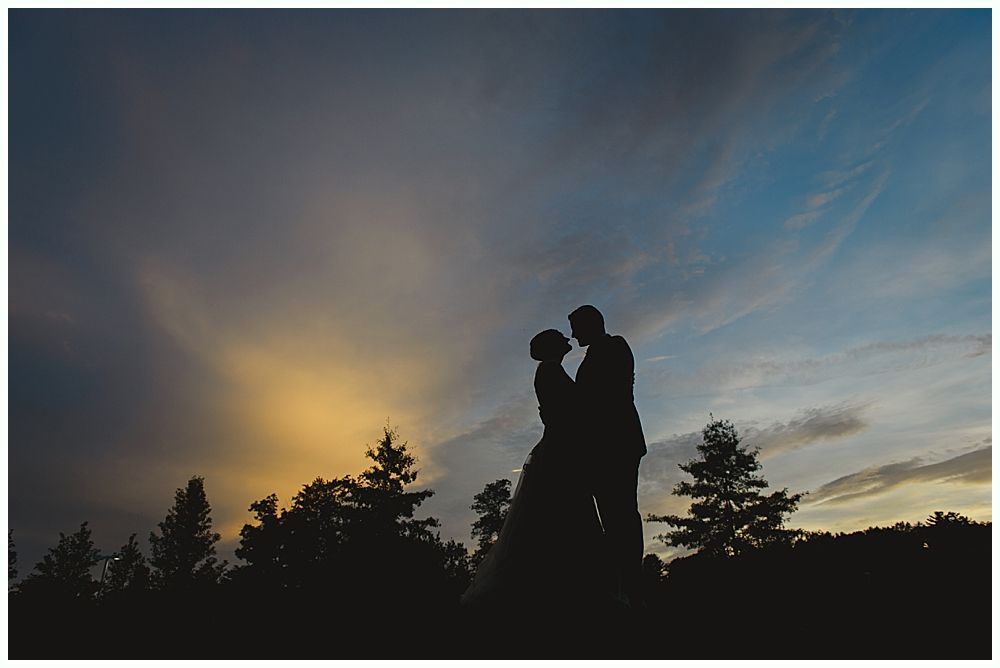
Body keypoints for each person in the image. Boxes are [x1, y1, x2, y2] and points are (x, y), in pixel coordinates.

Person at [461, 329, 605, 615]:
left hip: (560, 445)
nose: (568, 340)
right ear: (553, 347)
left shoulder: (549, 370)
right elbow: (570, 410)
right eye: (562, 339)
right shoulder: (550, 371)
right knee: (560, 512)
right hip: (560, 449)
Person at [568, 305, 647, 608]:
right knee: (613, 518)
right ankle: (619, 587)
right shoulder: (596, 353)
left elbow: (602, 398)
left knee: (622, 515)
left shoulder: (614, 347)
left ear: (591, 324)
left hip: (617, 443)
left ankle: (631, 589)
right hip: (602, 447)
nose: (573, 334)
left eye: (576, 327)